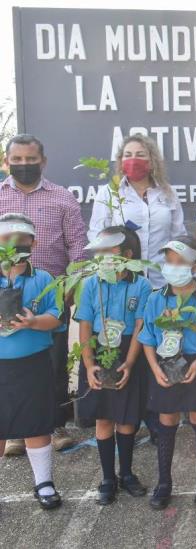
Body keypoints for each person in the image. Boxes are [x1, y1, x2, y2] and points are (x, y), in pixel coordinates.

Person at [0, 134, 88, 454]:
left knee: (53, 362)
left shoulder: (62, 198)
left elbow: (77, 248)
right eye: (18, 160)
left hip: (51, 294)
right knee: (10, 364)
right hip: (5, 292)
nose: (24, 165)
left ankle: (54, 422)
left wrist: (69, 290)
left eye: (31, 159)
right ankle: (14, 430)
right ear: (7, 161)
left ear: (43, 162)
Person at [138, 237, 196, 509]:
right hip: (166, 363)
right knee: (167, 421)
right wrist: (154, 368)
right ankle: (164, 483)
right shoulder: (156, 298)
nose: (173, 268)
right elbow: (148, 338)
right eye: (169, 262)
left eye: (181, 263)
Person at [75, 226, 152, 505]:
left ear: (127, 255)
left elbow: (141, 327)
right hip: (99, 351)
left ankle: (127, 473)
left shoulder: (141, 285)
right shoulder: (92, 283)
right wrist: (89, 364)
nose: (102, 256)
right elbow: (84, 325)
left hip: (128, 351)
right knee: (104, 417)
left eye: (109, 251)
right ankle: (108, 477)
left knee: (127, 418)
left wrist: (130, 363)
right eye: (100, 251)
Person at [0, 213, 63, 509]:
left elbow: (56, 317)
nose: (14, 243)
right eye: (6, 238)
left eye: (22, 238)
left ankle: (44, 482)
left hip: (34, 362)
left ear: (33, 242)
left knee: (36, 424)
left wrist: (34, 321)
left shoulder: (44, 278)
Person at [88, 134, 186, 289]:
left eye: (140, 155)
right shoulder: (108, 192)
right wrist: (109, 261)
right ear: (121, 162)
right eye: (128, 155)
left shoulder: (168, 193)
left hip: (161, 281)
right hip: (121, 280)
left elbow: (178, 236)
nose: (133, 160)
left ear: (152, 161)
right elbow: (96, 233)